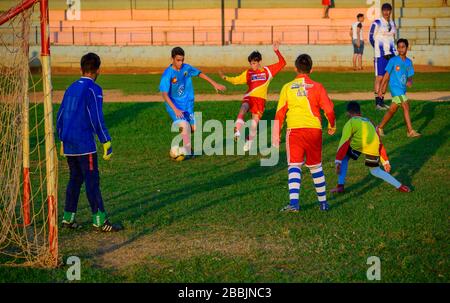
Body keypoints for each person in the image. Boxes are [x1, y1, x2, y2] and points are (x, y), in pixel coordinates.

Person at [57, 53, 122, 232]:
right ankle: (100, 220)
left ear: (81, 69)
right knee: (92, 180)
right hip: (84, 144)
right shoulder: (94, 89)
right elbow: (96, 118)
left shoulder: (70, 87)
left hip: (68, 142)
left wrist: (61, 137)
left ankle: (67, 218)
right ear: (98, 70)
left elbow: (61, 114)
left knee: (75, 179)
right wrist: (105, 140)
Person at [273, 54, 336, 212]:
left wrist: (276, 134)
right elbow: (329, 109)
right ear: (311, 69)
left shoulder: (287, 87)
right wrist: (332, 125)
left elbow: (280, 113)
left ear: (295, 69)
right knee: (316, 167)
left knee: (294, 166)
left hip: (295, 130)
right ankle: (323, 203)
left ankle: (294, 203)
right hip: (314, 130)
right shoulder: (318, 87)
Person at [330, 101, 411, 194]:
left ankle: (340, 186)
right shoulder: (369, 121)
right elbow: (379, 142)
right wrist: (385, 161)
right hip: (372, 146)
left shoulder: (351, 122)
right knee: (375, 171)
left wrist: (338, 161)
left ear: (348, 113)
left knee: (344, 158)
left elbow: (344, 141)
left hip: (358, 145)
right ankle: (400, 186)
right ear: (360, 112)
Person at [219, 41, 286, 152]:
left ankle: (249, 141)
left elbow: (282, 63)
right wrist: (225, 78)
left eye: (254, 63)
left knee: (254, 124)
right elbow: (236, 80)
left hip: (260, 101)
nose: (252, 65)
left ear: (259, 61)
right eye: (251, 63)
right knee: (243, 108)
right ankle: (237, 130)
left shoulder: (268, 71)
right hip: (249, 97)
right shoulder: (248, 73)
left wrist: (276, 51)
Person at [159, 47, 226, 157]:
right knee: (185, 126)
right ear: (172, 59)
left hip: (187, 104)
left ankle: (185, 147)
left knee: (194, 129)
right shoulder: (168, 74)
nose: (180, 63)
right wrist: (175, 109)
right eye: (178, 60)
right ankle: (188, 151)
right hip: (174, 106)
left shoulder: (186, 68)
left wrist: (214, 84)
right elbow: (164, 94)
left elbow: (199, 73)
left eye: (182, 60)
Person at [377, 39, 420, 138]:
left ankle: (380, 128)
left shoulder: (409, 62)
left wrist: (410, 81)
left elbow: (410, 75)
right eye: (399, 47)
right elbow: (386, 75)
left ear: (407, 48)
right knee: (405, 105)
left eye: (403, 47)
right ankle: (410, 131)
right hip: (395, 89)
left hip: (402, 89)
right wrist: (380, 90)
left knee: (392, 110)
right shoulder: (393, 60)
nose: (401, 49)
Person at [369, 2, 397, 110]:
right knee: (379, 78)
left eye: (388, 10)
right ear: (382, 11)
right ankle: (377, 103)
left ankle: (382, 101)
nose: (386, 12)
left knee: (387, 77)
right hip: (380, 55)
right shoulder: (377, 22)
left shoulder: (392, 23)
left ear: (390, 11)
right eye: (384, 10)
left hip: (391, 54)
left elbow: (392, 38)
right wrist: (377, 49)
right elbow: (370, 37)